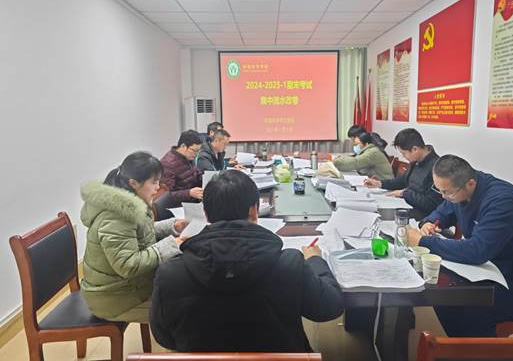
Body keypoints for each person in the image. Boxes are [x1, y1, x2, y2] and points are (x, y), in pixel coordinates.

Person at [150, 170, 344, 352]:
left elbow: (164, 337)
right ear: (254, 211)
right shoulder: (289, 264)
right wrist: (315, 260)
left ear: (207, 215)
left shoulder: (170, 273)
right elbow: (329, 307)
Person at [406, 154, 513, 337]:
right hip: (495, 270)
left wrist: (422, 242)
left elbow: (477, 251)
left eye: (447, 192)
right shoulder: (460, 191)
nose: (444, 197)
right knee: (446, 299)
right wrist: (428, 222)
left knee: (466, 307)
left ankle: (479, 349)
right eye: (440, 191)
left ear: (470, 183)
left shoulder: (502, 201)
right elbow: (443, 211)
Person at [80, 151, 187, 322]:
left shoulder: (131, 202)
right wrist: (171, 244)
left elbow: (139, 233)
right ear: (133, 183)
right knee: (184, 311)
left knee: (184, 291)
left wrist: (173, 227)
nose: (158, 187)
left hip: (128, 287)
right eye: (154, 182)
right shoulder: (116, 216)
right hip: (114, 298)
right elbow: (127, 265)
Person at [364, 128, 442, 216]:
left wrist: (404, 194)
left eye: (404, 153)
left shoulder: (437, 168)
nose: (403, 156)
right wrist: (380, 183)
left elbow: (431, 204)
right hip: (406, 206)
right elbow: (403, 180)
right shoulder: (416, 161)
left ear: (415, 149)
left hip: (422, 216)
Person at [160, 130, 203, 205]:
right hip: (178, 207)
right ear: (183, 146)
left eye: (198, 151)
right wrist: (189, 193)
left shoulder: (188, 157)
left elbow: (196, 174)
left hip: (191, 203)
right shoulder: (168, 164)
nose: (196, 154)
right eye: (194, 151)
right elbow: (165, 196)